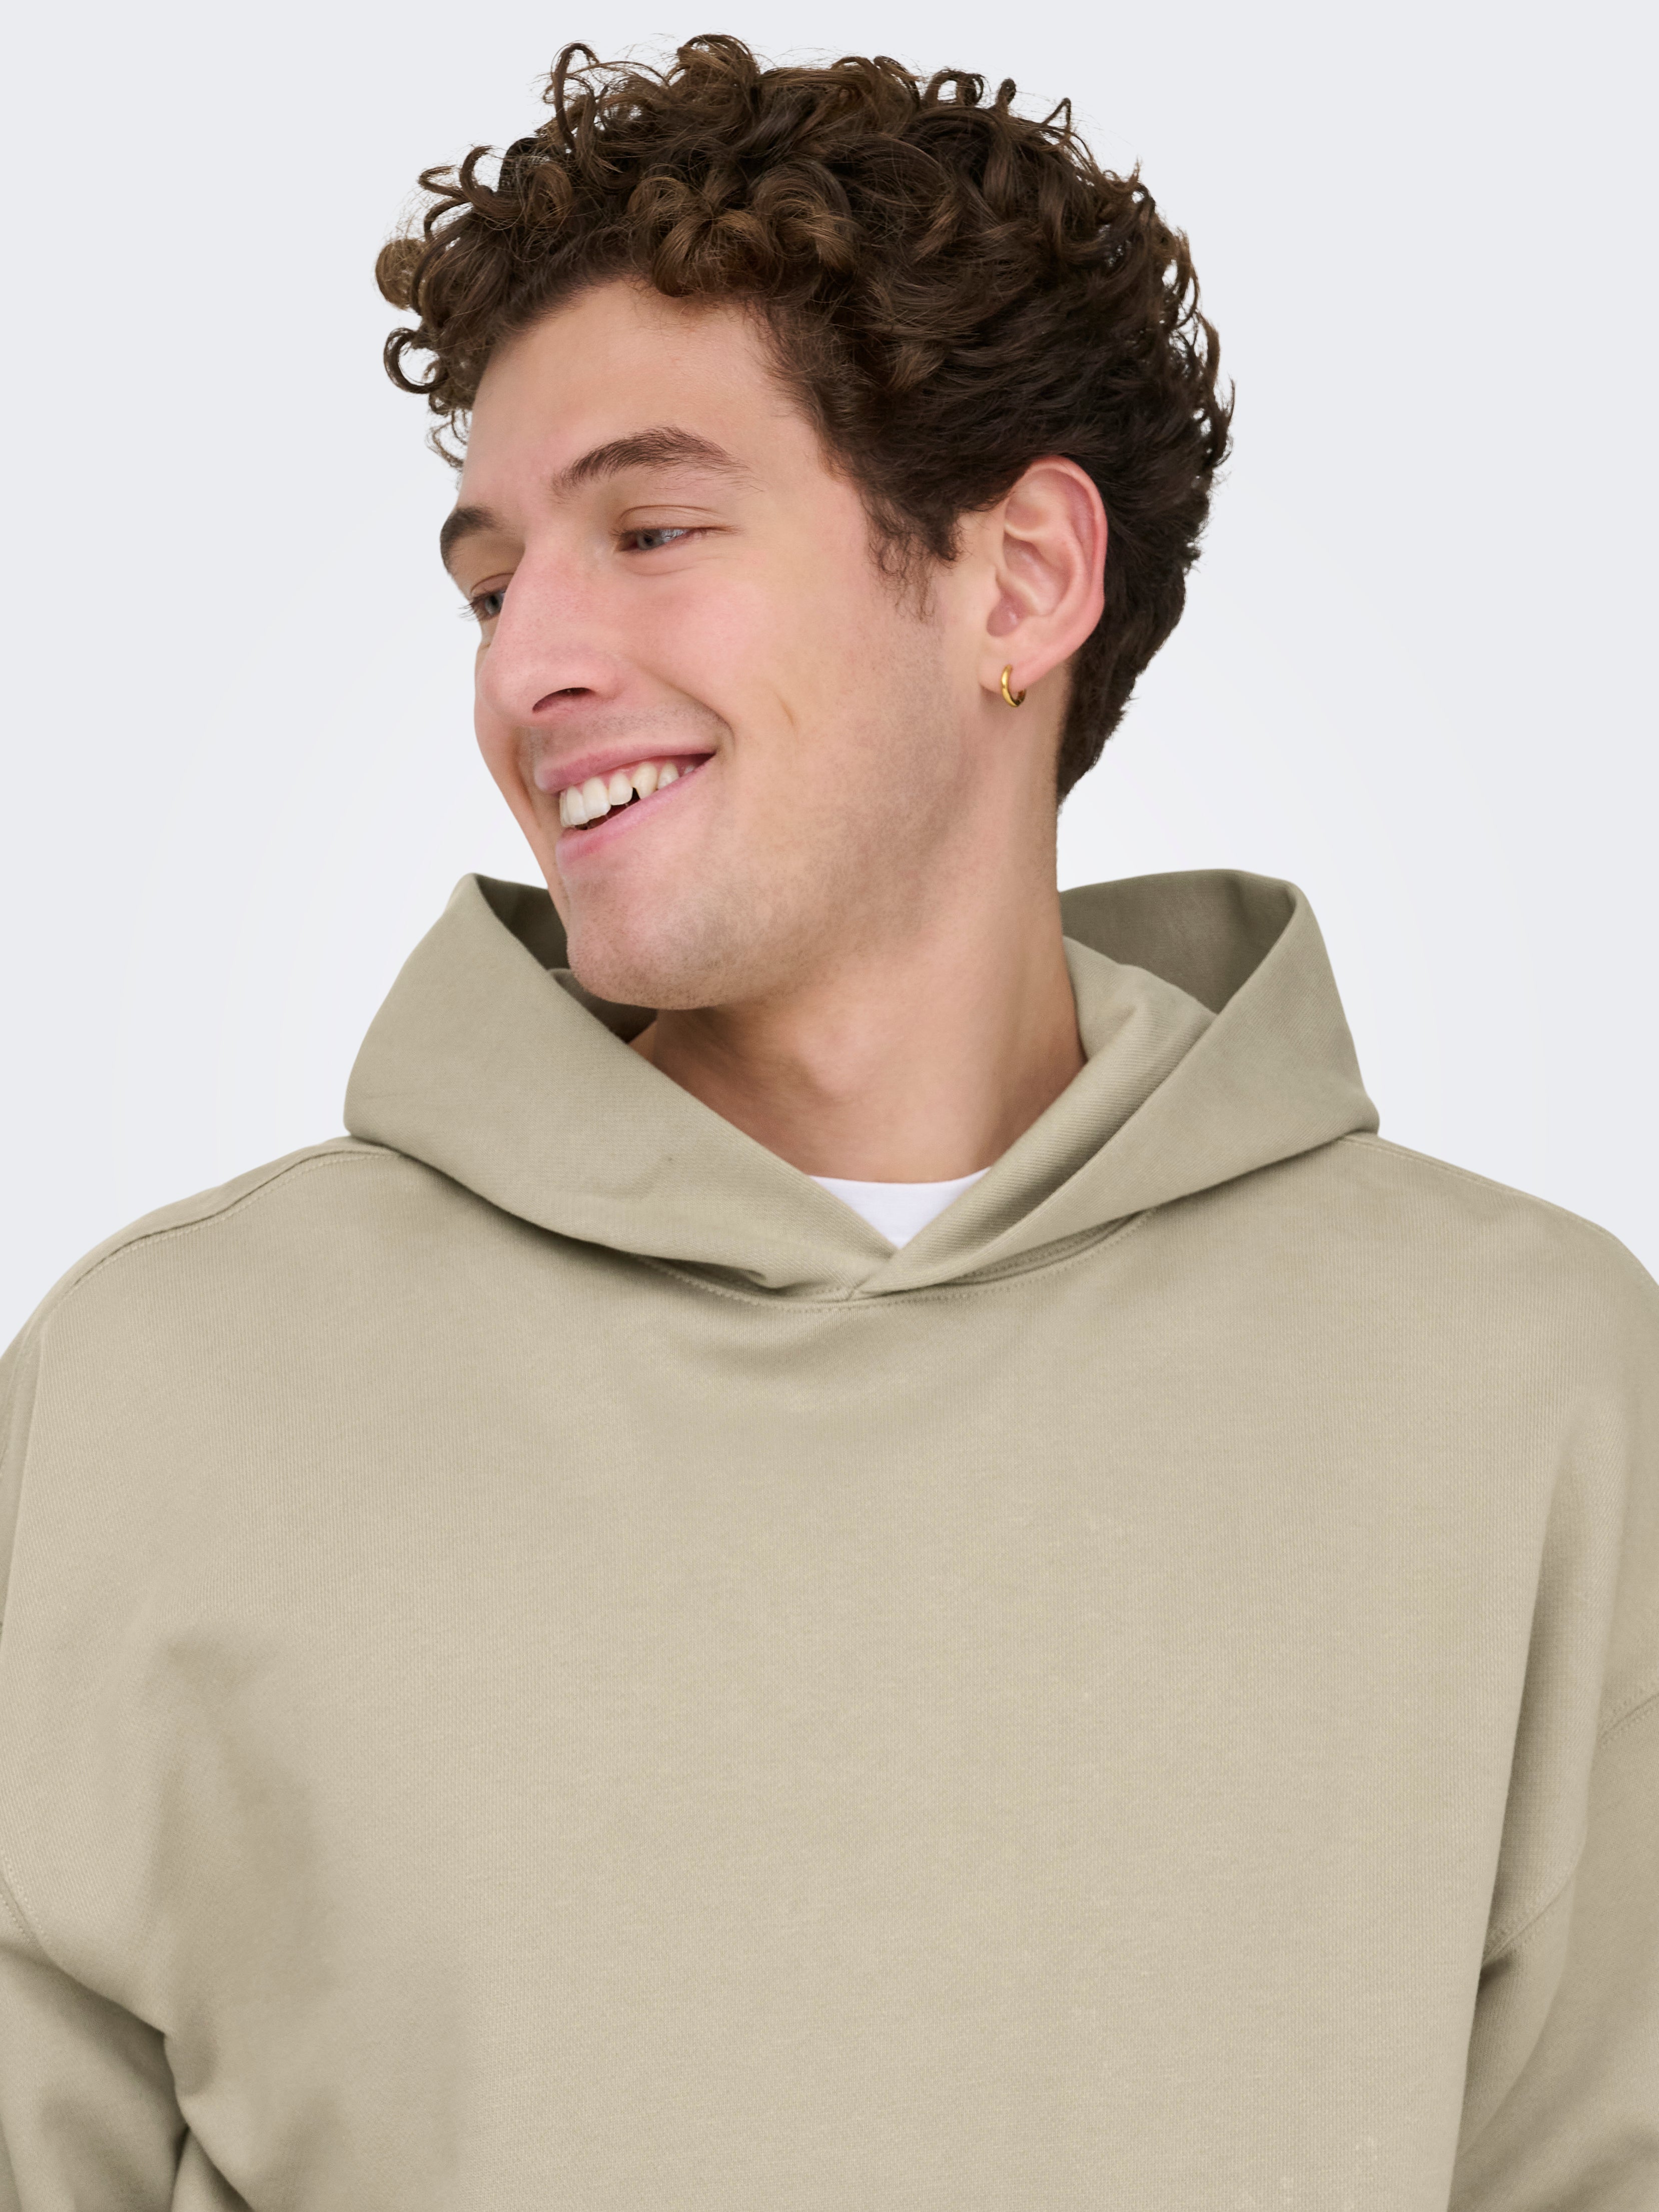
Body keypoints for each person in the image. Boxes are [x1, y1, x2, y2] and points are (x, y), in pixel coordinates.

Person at [0, 33, 1653, 2208]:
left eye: (652, 529)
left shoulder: (1520, 1382)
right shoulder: (169, 1382)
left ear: (1020, 580)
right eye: (493, 584)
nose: (523, 667)